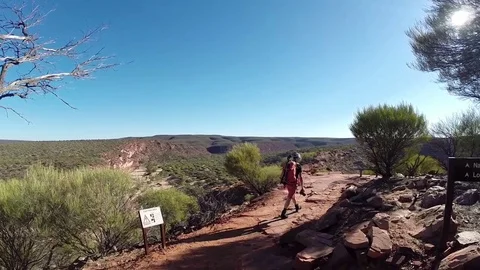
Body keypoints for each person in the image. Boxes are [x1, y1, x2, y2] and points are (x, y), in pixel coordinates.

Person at [280, 152, 305, 219]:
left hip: (287, 182)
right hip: (293, 183)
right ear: (297, 159)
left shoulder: (288, 164)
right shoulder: (298, 166)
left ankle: (297, 206)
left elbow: (282, 174)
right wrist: (302, 187)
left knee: (292, 194)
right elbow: (300, 177)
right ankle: (283, 213)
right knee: (289, 197)